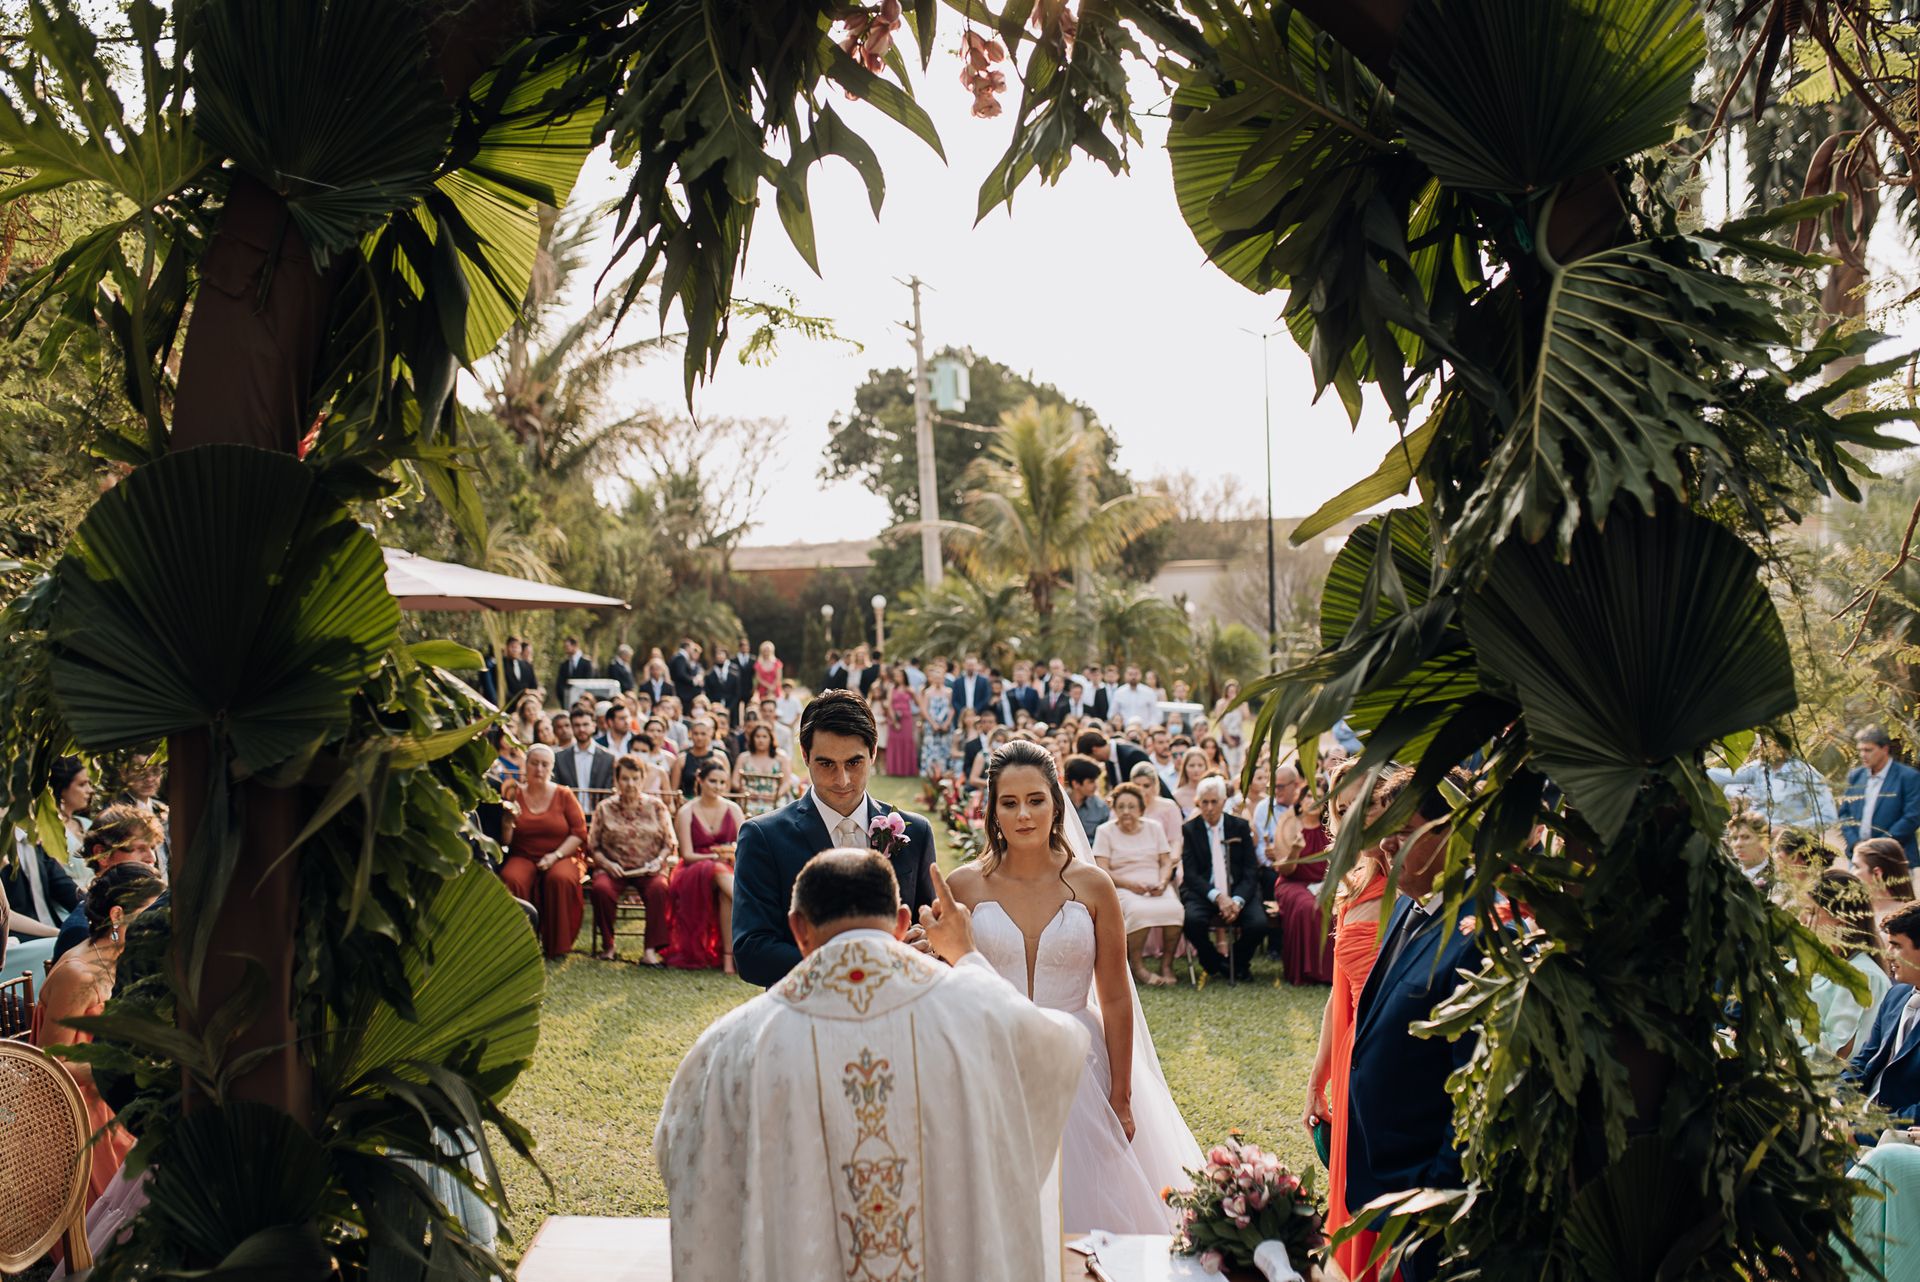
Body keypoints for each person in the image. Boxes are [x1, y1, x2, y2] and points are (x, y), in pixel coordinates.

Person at [655, 849, 1087, 1282]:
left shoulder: (735, 1042)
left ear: (798, 929)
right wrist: (969, 956)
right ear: (901, 922)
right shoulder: (974, 1009)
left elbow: (683, 1150)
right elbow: (1056, 1044)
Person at [947, 740, 1201, 1233]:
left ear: (1056, 803)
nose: (1024, 814)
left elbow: (1114, 997)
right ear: (992, 810)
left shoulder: (1091, 885)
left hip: (1079, 1064)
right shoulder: (963, 886)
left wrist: (1122, 1096)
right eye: (1010, 802)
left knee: (1090, 1212)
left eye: (1036, 800)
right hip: (988, 1061)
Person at [1345, 770, 1484, 1282]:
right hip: (1390, 1181)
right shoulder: (1411, 908)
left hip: (1431, 1200)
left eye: (1404, 831)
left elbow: (1474, 1087)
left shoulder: (1477, 933)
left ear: (1453, 831)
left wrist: (1435, 1194)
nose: (1386, 844)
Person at [731, 689, 938, 987]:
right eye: (826, 764)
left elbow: (930, 930)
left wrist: (927, 944)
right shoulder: (763, 836)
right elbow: (751, 953)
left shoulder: (914, 831)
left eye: (854, 763)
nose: (842, 780)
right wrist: (865, 966)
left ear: (874, 752)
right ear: (805, 756)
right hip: (805, 1021)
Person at [1302, 764, 1396, 1282]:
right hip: (1354, 1058)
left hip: (1399, 1054)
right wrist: (1319, 1079)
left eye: (1366, 803)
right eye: (1341, 810)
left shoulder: (1420, 884)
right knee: (1355, 1202)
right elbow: (1339, 995)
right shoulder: (1353, 885)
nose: (1352, 818)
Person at [35, 864, 165, 1217]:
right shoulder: (78, 974)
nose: (157, 924)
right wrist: (122, 1068)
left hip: (114, 1096)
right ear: (118, 914)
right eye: (148, 914)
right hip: (75, 1114)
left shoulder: (125, 960)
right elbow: (49, 1063)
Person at [498, 745, 590, 959]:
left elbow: (579, 832)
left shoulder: (564, 794)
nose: (539, 769)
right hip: (523, 853)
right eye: (534, 763)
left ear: (551, 768)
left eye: (544, 764)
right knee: (511, 878)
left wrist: (555, 856)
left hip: (561, 854)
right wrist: (507, 823)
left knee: (560, 879)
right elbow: (506, 841)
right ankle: (519, 943)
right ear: (526, 765)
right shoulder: (513, 793)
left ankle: (557, 946)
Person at [585, 757, 675, 965]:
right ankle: (608, 945)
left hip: (648, 868)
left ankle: (650, 950)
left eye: (635, 778)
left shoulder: (657, 806)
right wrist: (607, 864)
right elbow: (593, 845)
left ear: (643, 779)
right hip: (613, 868)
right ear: (616, 780)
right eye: (625, 779)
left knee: (659, 889)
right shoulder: (605, 808)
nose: (630, 784)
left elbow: (668, 842)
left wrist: (658, 860)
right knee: (601, 889)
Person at [1092, 782, 1182, 988]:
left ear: (1141, 809)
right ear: (1114, 809)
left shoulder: (1154, 828)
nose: (1126, 812)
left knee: (1175, 910)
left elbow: (1166, 861)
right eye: (1121, 806)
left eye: (1131, 806)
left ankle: (1166, 964)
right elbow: (1102, 868)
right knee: (1139, 911)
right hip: (1122, 886)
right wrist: (1131, 885)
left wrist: (1162, 881)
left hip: (1155, 884)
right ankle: (1137, 965)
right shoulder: (1105, 831)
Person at [1178, 775, 1266, 981]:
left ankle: (1236, 962)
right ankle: (1215, 962)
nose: (1209, 808)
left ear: (1224, 802)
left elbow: (1250, 870)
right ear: (1198, 803)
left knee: (1258, 924)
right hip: (1205, 892)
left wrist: (1236, 900)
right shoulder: (1190, 829)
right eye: (1204, 802)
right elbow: (1190, 873)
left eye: (1214, 802)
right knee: (1192, 921)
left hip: (1239, 891)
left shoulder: (1240, 827)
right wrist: (1218, 897)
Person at [53, 805, 163, 963]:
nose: (151, 858)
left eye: (152, 848)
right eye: (139, 848)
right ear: (102, 854)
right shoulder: (80, 930)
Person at [1802, 870, 1890, 1059]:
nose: (1803, 921)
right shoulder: (1801, 963)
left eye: (1811, 913)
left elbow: (1837, 1052)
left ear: (1840, 921)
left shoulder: (1863, 976)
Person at [1846, 902, 1920, 1121]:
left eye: (1896, 946)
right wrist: (1836, 1102)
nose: (1888, 955)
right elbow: (1863, 1061)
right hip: (1858, 1117)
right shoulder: (1896, 995)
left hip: (1895, 1135)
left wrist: (1863, 1134)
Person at [667, 761, 743, 972]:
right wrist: (715, 855)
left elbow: (744, 848)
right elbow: (688, 855)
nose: (717, 786)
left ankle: (729, 959)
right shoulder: (686, 811)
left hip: (728, 868)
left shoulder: (733, 809)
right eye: (712, 781)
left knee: (725, 895)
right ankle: (749, 902)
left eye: (722, 782)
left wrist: (730, 852)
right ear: (700, 780)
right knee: (716, 869)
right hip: (693, 870)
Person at [1272, 785, 1337, 986]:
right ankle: (1307, 972)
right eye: (1309, 795)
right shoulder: (1290, 825)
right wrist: (1295, 851)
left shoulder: (1332, 828)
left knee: (1334, 904)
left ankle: (1333, 973)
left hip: (1325, 883)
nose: (1314, 800)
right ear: (1300, 800)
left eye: (1319, 796)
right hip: (1293, 883)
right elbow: (1285, 870)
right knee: (1308, 907)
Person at [1709, 739, 1838, 833]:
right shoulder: (1760, 768)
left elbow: (1828, 817)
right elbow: (1726, 776)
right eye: (1762, 740)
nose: (1762, 745)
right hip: (1756, 843)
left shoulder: (1805, 774)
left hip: (1791, 850)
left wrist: (1786, 830)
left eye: (1769, 741)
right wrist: (1693, 769)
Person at [1841, 725, 1920, 865]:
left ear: (1885, 749)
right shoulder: (1856, 776)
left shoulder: (1908, 777)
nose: (1863, 755)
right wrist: (1856, 844)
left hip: (1895, 859)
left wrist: (1877, 847)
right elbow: (1844, 815)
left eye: (1868, 750)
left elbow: (1912, 817)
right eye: (1860, 750)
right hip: (1858, 858)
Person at [555, 708, 615, 815]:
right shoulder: (560, 758)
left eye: (585, 724)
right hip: (568, 815)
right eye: (577, 725)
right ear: (572, 727)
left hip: (598, 815)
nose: (581, 729)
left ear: (594, 726)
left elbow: (609, 791)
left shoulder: (608, 758)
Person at [731, 722, 790, 818]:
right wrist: (746, 792)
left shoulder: (781, 757)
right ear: (752, 738)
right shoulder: (743, 757)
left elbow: (787, 783)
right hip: (749, 799)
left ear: (771, 738)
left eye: (764, 736)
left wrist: (776, 795)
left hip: (774, 799)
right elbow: (734, 781)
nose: (761, 740)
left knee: (778, 812)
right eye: (757, 736)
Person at [1854, 836, 1915, 926]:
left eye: (1856, 867)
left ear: (1877, 873)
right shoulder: (1856, 913)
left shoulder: (1909, 920)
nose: (1851, 873)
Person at [1132, 760, 1185, 849]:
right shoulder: (1123, 808)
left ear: (1154, 785)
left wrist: (1168, 861)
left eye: (1146, 786)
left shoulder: (1169, 807)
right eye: (1137, 785)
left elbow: (1176, 840)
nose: (1141, 790)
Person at [919, 659, 957, 778]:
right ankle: (930, 774)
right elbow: (924, 709)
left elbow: (952, 708)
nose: (937, 680)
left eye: (939, 677)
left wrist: (947, 723)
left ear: (943, 678)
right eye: (935, 678)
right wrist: (933, 723)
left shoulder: (949, 692)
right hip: (932, 726)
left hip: (946, 726)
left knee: (945, 749)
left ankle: (944, 773)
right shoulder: (928, 692)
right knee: (931, 749)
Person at [676, 715, 728, 799]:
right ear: (690, 735)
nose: (699, 737)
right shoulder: (682, 759)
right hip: (688, 802)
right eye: (696, 734)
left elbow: (726, 788)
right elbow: (674, 790)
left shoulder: (720, 757)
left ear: (710, 735)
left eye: (703, 734)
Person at [1065, 754, 1110, 842]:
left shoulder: (1101, 807)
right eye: (1091, 782)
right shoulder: (1057, 804)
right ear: (1076, 784)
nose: (1096, 786)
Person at [1727, 810, 1773, 890]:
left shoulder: (1778, 878)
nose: (1738, 844)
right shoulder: (1727, 873)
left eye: (1746, 837)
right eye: (1734, 838)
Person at [886, 666, 919, 777]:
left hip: (907, 719)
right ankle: (894, 770)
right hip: (894, 717)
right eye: (896, 676)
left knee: (907, 742)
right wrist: (894, 721)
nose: (897, 678)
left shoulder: (909, 689)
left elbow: (918, 703)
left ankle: (907, 770)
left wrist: (913, 694)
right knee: (894, 742)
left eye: (899, 675)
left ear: (904, 677)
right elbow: (889, 704)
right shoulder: (892, 688)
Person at [1213, 679, 1247, 773]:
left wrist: (1237, 703)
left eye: (1234, 691)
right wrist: (1228, 739)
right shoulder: (1221, 703)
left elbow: (1246, 717)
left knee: (1237, 762)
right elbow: (1220, 722)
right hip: (1225, 736)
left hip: (1238, 736)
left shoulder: (1242, 703)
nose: (1232, 693)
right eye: (1230, 691)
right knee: (1225, 761)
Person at [1170, 746, 1211, 817]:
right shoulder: (1177, 795)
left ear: (1206, 767)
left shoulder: (1213, 792)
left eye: (1200, 765)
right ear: (1185, 768)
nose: (1196, 770)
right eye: (1192, 766)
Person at [555, 635, 595, 705]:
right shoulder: (564, 665)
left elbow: (589, 682)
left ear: (575, 646)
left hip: (583, 700)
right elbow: (560, 684)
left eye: (567, 647)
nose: (565, 649)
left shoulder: (586, 663)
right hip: (567, 701)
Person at [669, 637, 703, 706]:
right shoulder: (680, 658)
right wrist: (693, 681)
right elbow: (681, 674)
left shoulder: (680, 657)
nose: (692, 650)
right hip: (682, 693)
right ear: (687, 647)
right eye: (692, 648)